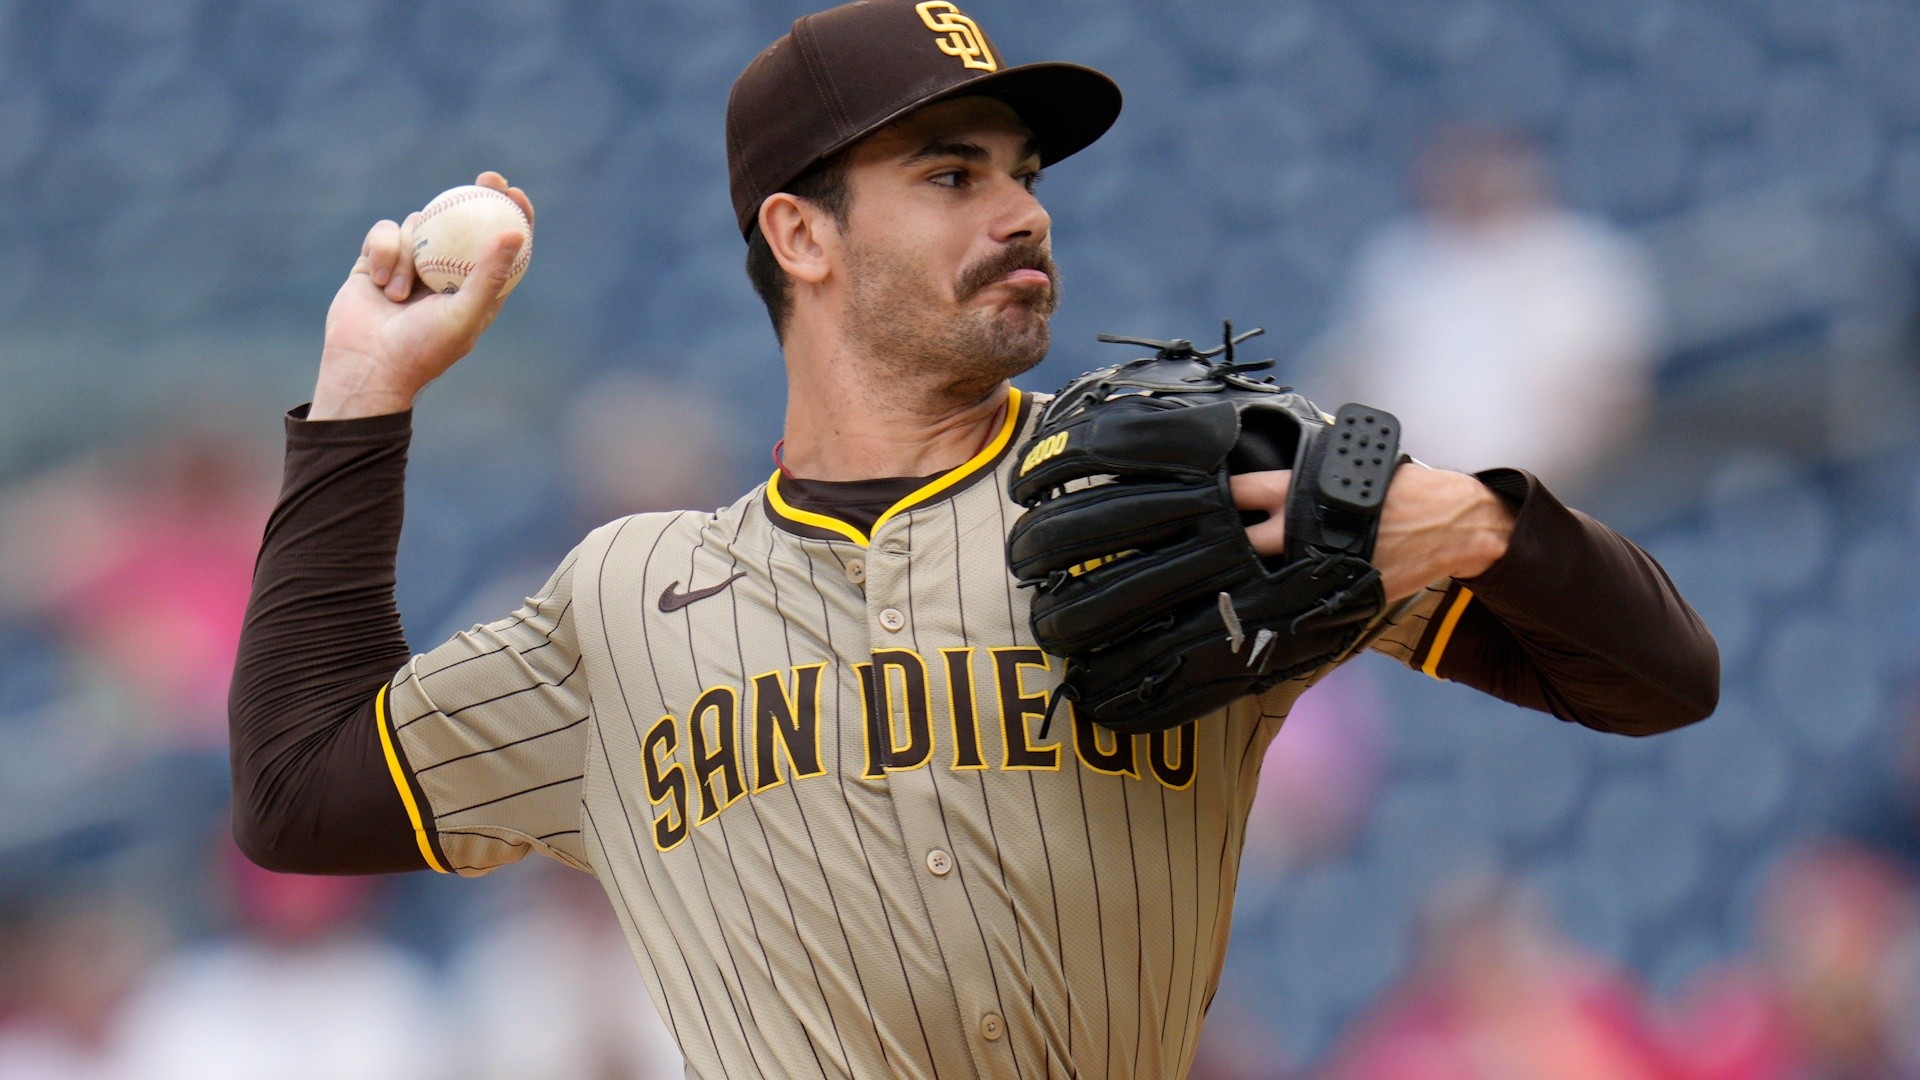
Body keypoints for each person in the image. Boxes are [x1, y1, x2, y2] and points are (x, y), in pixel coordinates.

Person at [228, 3, 1718, 1077]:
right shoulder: (622, 601)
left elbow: (1663, 676)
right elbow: (296, 797)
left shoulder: (1197, 479)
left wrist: (1468, 516)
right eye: (953, 175)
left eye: (1024, 173)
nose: (1021, 212)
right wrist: (364, 392)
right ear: (802, 237)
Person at [1311, 126, 1662, 495]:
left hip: (1542, 494)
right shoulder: (1395, 258)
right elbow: (1350, 375)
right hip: (1410, 490)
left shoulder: (1584, 257)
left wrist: (1528, 499)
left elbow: (1616, 403)